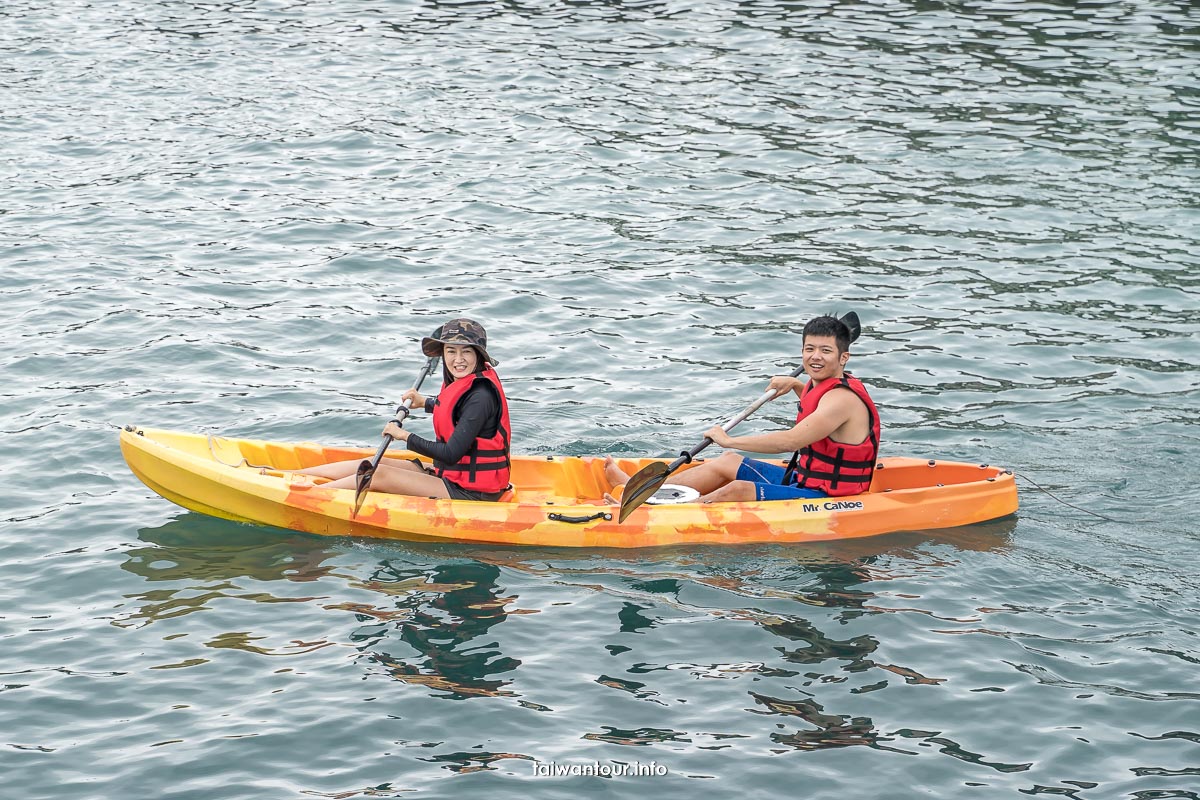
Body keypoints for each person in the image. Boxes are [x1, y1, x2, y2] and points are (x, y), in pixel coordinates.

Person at [604, 313, 879, 503]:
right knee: (727, 463)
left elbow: (792, 440)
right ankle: (648, 493)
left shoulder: (841, 400)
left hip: (830, 496)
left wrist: (729, 440)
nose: (815, 357)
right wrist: (795, 385)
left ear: (844, 357)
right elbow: (815, 403)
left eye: (825, 351)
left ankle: (656, 511)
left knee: (736, 490)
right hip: (805, 479)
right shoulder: (822, 384)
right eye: (809, 349)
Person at [296, 318, 513, 501]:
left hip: (472, 492)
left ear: (478, 355)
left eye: (466, 351)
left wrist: (404, 436)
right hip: (451, 476)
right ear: (443, 353)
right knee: (374, 462)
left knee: (378, 474)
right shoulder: (466, 383)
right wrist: (425, 402)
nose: (458, 359)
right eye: (451, 351)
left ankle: (308, 498)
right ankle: (289, 475)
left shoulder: (481, 396)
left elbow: (451, 453)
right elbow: (457, 410)